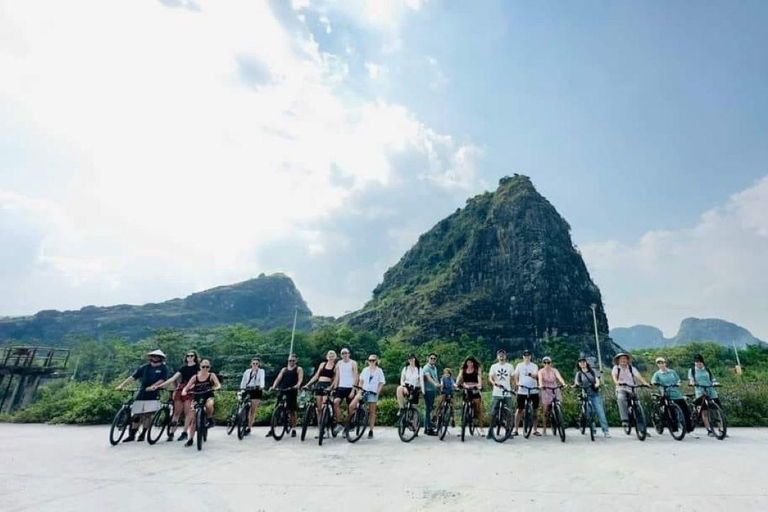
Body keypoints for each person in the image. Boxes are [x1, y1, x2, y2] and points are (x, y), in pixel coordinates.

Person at [115, 349, 169, 443]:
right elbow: (133, 377)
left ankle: (143, 434)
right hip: (142, 392)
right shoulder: (144, 367)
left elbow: (163, 379)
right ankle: (132, 435)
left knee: (148, 415)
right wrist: (122, 385)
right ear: (150, 357)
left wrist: (153, 386)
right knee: (137, 414)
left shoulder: (163, 368)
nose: (155, 358)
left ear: (161, 358)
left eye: (157, 356)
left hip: (153, 393)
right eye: (153, 356)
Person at [148, 349, 199, 442]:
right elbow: (173, 378)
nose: (190, 357)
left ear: (195, 357)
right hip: (181, 388)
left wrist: (189, 388)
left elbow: (200, 379)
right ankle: (171, 432)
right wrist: (159, 385)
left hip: (191, 389)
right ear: (186, 357)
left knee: (187, 412)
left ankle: (184, 432)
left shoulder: (199, 368)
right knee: (176, 412)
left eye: (192, 356)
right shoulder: (183, 368)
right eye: (188, 356)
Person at [181, 359, 222, 447]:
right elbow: (187, 387)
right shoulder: (195, 377)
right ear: (200, 367)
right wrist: (184, 391)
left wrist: (216, 387)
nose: (205, 368)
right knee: (193, 419)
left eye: (207, 367)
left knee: (209, 404)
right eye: (203, 366)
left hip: (208, 395)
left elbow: (218, 384)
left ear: (209, 367)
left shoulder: (211, 375)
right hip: (197, 396)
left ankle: (210, 419)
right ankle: (190, 439)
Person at [651, 357, 692, 433]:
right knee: (669, 410)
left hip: (676, 392)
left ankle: (688, 428)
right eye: (659, 363)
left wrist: (678, 383)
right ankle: (673, 427)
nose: (661, 365)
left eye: (662, 363)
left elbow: (678, 380)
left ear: (665, 363)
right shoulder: (657, 374)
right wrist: (655, 383)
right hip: (665, 393)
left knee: (685, 410)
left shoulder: (672, 372)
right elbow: (653, 380)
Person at [348, 354, 385, 439]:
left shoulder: (379, 371)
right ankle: (352, 421)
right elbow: (361, 381)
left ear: (376, 361)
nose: (371, 362)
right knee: (352, 405)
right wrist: (359, 391)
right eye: (370, 360)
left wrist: (377, 392)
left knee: (372, 412)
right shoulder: (365, 370)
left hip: (373, 392)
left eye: (373, 360)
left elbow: (381, 383)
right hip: (363, 390)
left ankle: (371, 430)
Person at [611, 352, 651, 428]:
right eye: (621, 359)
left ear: (627, 360)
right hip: (621, 388)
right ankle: (625, 420)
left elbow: (638, 376)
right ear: (618, 360)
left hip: (631, 388)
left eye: (625, 358)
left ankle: (642, 428)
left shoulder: (631, 368)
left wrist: (645, 383)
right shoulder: (616, 368)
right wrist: (617, 382)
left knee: (638, 406)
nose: (623, 360)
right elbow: (614, 377)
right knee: (621, 398)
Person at [573, 357, 610, 437]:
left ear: (586, 363)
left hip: (595, 394)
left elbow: (597, 380)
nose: (582, 363)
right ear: (579, 364)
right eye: (580, 362)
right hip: (585, 395)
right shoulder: (578, 374)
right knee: (589, 413)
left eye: (583, 362)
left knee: (600, 412)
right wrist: (575, 385)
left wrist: (597, 384)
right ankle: (592, 429)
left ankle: (605, 431)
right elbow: (576, 382)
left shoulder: (593, 371)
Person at [268, 354, 304, 437]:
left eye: (293, 360)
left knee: (292, 410)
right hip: (282, 389)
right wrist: (274, 386)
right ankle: (272, 428)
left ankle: (294, 429)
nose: (291, 362)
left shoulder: (298, 369)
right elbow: (278, 378)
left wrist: (298, 385)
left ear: (296, 361)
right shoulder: (284, 369)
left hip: (292, 389)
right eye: (290, 360)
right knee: (276, 409)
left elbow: (300, 379)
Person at [688, 354, 721, 436]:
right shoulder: (692, 370)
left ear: (703, 362)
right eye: (696, 362)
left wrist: (715, 383)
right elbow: (691, 379)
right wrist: (692, 383)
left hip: (710, 390)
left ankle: (721, 429)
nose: (698, 363)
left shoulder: (707, 370)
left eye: (700, 362)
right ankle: (709, 430)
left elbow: (713, 379)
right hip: (700, 391)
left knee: (718, 410)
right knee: (704, 411)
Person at [303, 350, 338, 425]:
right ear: (327, 357)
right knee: (318, 409)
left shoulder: (335, 367)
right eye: (329, 356)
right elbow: (316, 375)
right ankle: (320, 427)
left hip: (327, 385)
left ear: (335, 357)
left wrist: (331, 387)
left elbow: (335, 379)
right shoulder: (322, 364)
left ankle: (328, 422)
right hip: (319, 384)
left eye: (332, 356)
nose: (331, 357)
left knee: (325, 405)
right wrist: (308, 384)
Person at [487, 349, 513, 439]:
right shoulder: (494, 366)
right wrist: (494, 383)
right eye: (500, 355)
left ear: (505, 356)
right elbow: (490, 377)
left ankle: (508, 431)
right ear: (497, 356)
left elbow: (513, 378)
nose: (501, 356)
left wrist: (514, 388)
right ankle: (490, 432)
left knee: (509, 413)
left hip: (507, 392)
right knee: (493, 412)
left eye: (503, 354)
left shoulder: (510, 366)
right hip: (497, 392)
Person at [513, 349, 540, 436]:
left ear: (530, 357)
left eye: (528, 355)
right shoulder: (519, 365)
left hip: (533, 389)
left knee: (535, 410)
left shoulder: (534, 366)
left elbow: (536, 375)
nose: (527, 357)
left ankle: (535, 430)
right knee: (519, 410)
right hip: (522, 390)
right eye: (525, 355)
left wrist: (529, 374)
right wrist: (517, 383)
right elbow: (516, 375)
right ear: (523, 357)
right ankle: (516, 429)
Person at [538, 356, 567, 435]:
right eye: (545, 362)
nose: (547, 364)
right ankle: (544, 429)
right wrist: (540, 385)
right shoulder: (541, 371)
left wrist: (563, 383)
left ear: (551, 363)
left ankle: (559, 417)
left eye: (548, 362)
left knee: (558, 404)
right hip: (546, 389)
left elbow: (559, 377)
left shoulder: (554, 370)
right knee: (545, 410)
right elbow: (540, 379)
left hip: (554, 388)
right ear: (543, 363)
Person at [332, 348, 358, 435]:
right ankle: (339, 423)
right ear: (341, 355)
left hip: (350, 387)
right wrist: (334, 388)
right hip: (341, 387)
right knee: (335, 403)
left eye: (346, 353)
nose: (344, 355)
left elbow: (356, 377)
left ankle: (349, 425)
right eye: (343, 353)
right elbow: (337, 377)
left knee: (350, 407)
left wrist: (353, 390)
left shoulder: (353, 363)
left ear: (349, 354)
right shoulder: (339, 363)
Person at [456, 356, 483, 436]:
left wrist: (479, 385)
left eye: (471, 362)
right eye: (468, 362)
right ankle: (462, 428)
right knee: (464, 407)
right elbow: (459, 377)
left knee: (478, 410)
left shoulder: (477, 369)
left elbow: (479, 377)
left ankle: (481, 429)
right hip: (466, 389)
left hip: (474, 389)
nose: (469, 364)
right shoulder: (463, 369)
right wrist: (457, 384)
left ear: (473, 363)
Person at [239, 356, 266, 436]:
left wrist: (261, 386)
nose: (255, 365)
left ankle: (249, 427)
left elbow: (262, 380)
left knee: (253, 410)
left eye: (256, 364)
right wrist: (242, 389)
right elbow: (243, 381)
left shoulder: (261, 371)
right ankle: (242, 418)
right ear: (251, 364)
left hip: (256, 390)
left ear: (259, 364)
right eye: (253, 363)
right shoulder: (247, 371)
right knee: (242, 404)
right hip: (248, 389)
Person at [422, 353, 440, 436]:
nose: (433, 360)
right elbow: (429, 378)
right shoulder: (426, 368)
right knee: (428, 409)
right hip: (427, 390)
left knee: (429, 408)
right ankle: (428, 429)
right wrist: (435, 384)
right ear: (428, 359)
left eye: (434, 358)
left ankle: (427, 428)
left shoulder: (434, 368)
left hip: (433, 390)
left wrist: (439, 385)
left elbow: (435, 378)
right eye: (431, 358)